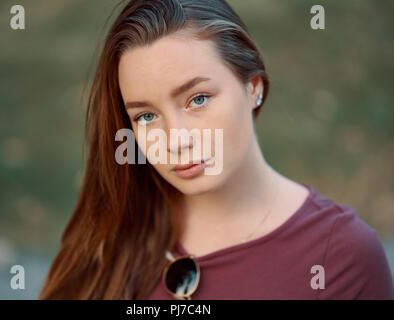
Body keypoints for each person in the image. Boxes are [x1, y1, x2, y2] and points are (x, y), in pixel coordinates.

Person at [39, 0, 394, 299]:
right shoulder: (113, 232)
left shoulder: (342, 256)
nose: (176, 140)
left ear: (253, 86)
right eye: (146, 115)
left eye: (198, 99)